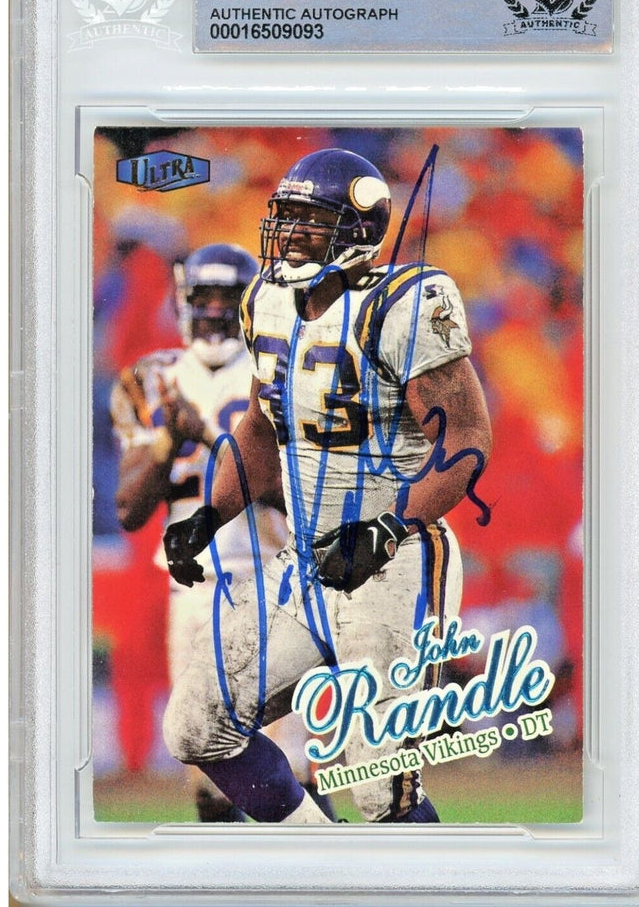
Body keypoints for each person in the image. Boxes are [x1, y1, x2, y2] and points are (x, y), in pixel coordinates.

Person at [161, 149, 493, 824]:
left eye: (310, 220)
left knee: (380, 785)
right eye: (285, 217)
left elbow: (466, 438)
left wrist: (387, 528)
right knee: (196, 725)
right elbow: (262, 426)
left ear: (359, 228)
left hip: (396, 563)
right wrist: (211, 514)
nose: (289, 234)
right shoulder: (267, 302)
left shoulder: (404, 303)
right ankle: (313, 851)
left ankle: (423, 877)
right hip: (306, 564)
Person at [111, 241, 319, 821]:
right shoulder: (151, 380)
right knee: (207, 769)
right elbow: (129, 508)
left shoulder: (279, 372)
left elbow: (295, 496)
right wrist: (168, 440)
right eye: (203, 298)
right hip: (194, 591)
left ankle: (319, 860)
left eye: (228, 298)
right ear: (184, 301)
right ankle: (224, 868)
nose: (214, 312)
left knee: (290, 759)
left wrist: (207, 436)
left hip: (274, 585)